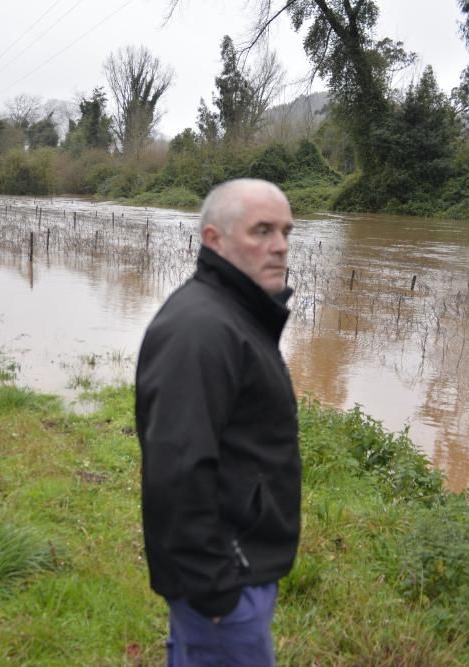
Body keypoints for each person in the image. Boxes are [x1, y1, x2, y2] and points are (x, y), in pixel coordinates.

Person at [135, 178, 301, 666]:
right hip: (224, 582)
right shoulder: (202, 330)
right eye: (262, 231)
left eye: (286, 232)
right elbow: (177, 468)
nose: (280, 247)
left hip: (237, 564)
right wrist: (213, 592)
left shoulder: (234, 313)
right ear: (214, 240)